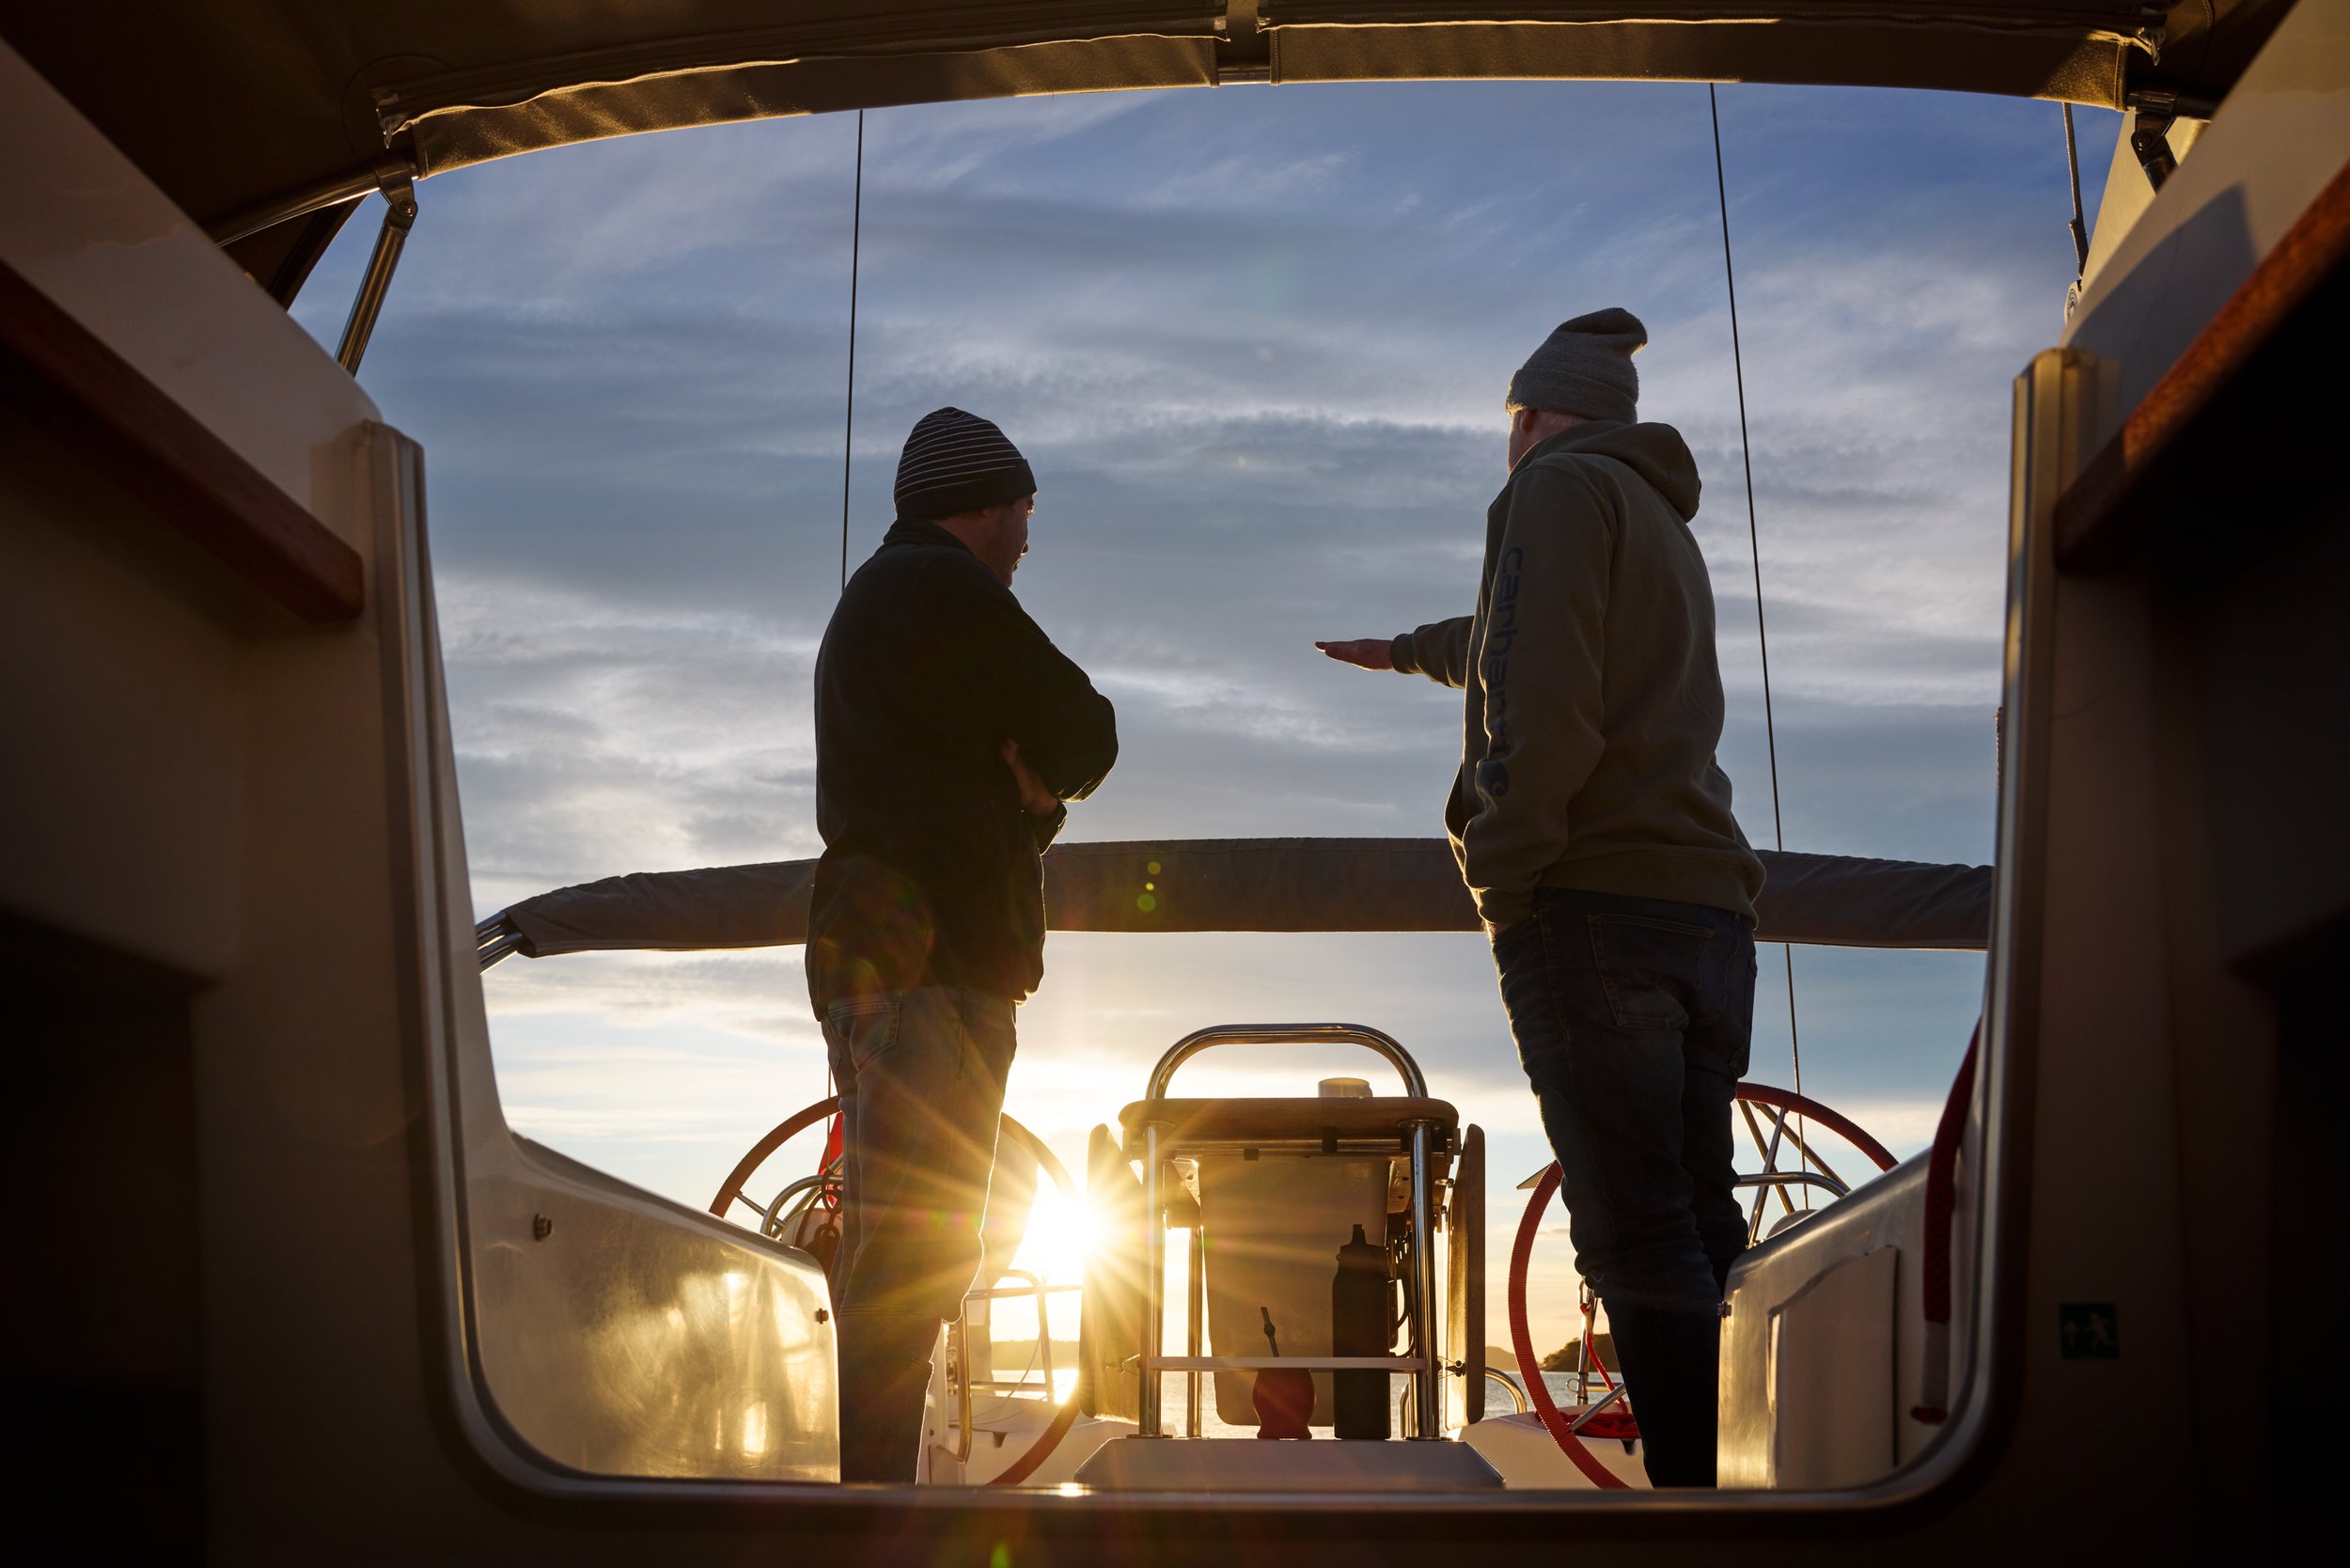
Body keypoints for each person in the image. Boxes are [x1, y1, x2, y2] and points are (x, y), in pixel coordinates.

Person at [1316, 308, 1762, 1486]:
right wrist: (1403, 650)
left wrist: (1502, 877)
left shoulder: (1553, 491)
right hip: (1706, 912)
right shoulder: (1654, 514)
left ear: (1527, 417)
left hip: (1592, 902)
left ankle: (1694, 1514)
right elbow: (1513, 634)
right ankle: (1754, 1489)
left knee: (1633, 1231)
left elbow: (1538, 680)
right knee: (1701, 1218)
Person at [807, 406, 1118, 1484]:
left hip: (878, 958)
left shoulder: (883, 599)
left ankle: (853, 1490)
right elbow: (1085, 734)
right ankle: (864, 1507)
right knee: (915, 1258)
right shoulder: (945, 590)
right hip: (932, 967)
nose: (1028, 537)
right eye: (1024, 511)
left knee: (892, 1250)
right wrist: (1038, 791)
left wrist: (1025, 801)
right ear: (984, 507)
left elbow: (936, 785)